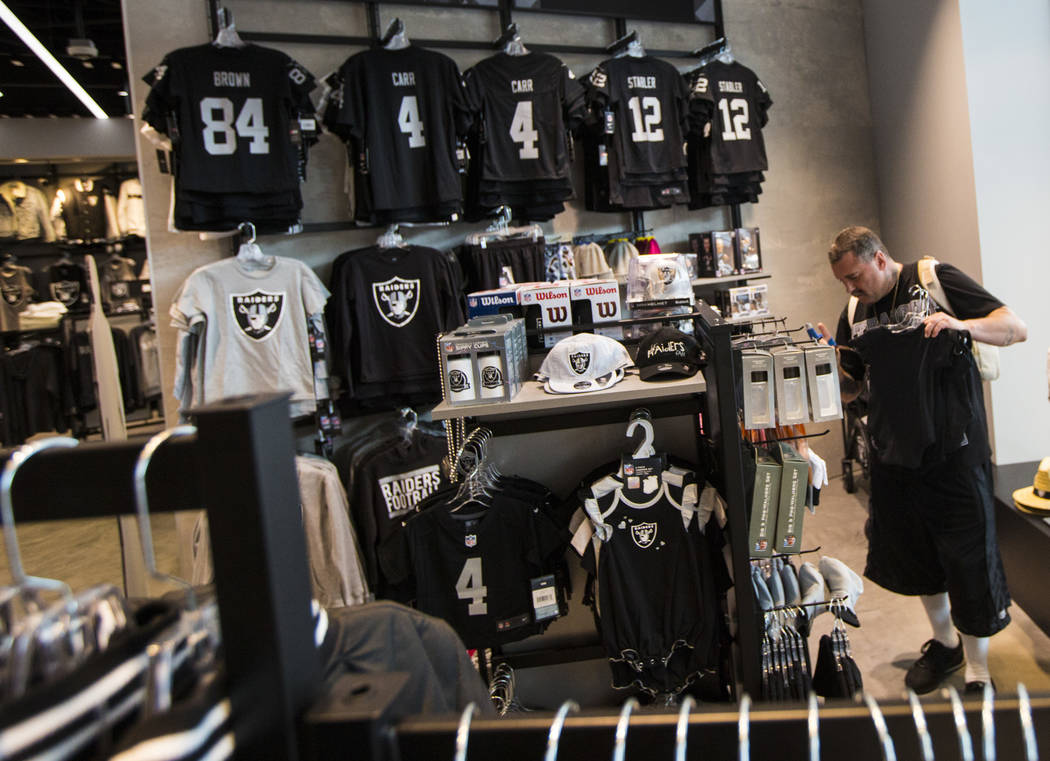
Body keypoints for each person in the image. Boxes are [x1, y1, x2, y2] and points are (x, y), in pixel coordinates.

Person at [817, 225, 1027, 695]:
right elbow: (851, 388)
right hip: (893, 456)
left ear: (877, 258)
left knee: (968, 561)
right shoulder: (854, 310)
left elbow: (1016, 328)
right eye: (842, 282)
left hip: (955, 452)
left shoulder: (934, 278)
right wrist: (826, 367)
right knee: (916, 558)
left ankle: (977, 670)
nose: (850, 288)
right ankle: (945, 643)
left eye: (854, 276)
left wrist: (962, 324)